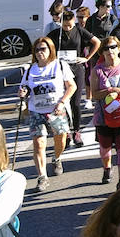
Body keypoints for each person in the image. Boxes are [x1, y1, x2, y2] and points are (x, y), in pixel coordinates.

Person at [20, 36, 76, 192]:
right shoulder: (30, 70)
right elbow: (24, 88)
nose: (39, 53)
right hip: (36, 111)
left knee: (61, 141)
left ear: (50, 49)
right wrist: (23, 92)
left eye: (43, 49)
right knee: (39, 145)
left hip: (56, 110)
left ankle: (57, 158)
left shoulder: (60, 66)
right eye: (36, 50)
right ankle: (42, 177)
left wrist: (62, 102)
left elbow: (72, 86)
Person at [91, 35, 120, 187]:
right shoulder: (97, 70)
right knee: (105, 149)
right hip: (103, 116)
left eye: (113, 47)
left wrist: (119, 92)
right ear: (102, 52)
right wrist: (108, 92)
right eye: (106, 48)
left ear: (119, 48)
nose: (110, 51)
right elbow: (94, 94)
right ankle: (107, 168)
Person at [49, 10, 100, 150]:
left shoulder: (79, 30)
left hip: (76, 69)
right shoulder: (55, 34)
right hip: (60, 72)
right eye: (65, 26)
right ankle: (65, 132)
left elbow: (97, 42)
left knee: (76, 103)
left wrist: (87, 58)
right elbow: (44, 45)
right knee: (63, 102)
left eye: (70, 25)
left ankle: (76, 131)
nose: (67, 28)